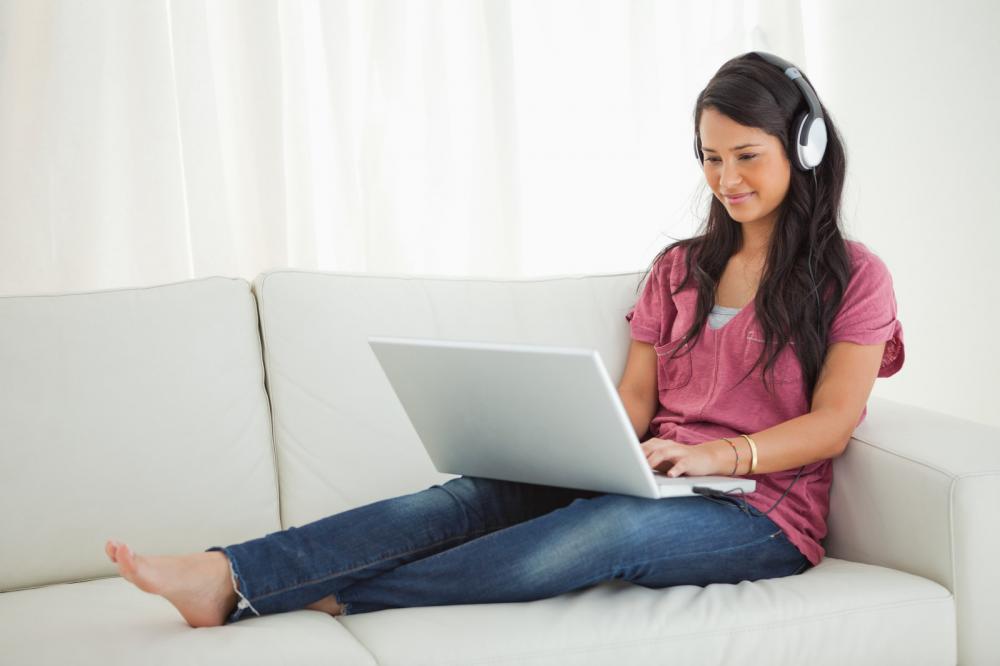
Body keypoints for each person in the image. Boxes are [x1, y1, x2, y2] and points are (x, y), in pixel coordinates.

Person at [105, 51, 904, 628]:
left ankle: (334, 595)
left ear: (804, 151)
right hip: (655, 474)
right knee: (469, 497)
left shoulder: (856, 277)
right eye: (711, 158)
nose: (727, 179)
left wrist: (717, 457)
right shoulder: (678, 270)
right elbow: (637, 400)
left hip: (761, 514)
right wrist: (569, 449)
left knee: (606, 533)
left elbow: (834, 420)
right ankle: (228, 573)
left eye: (747, 158)